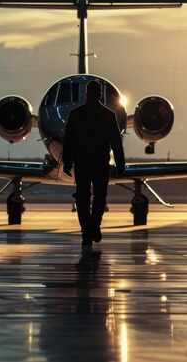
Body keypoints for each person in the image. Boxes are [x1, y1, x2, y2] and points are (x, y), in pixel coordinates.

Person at [62, 81, 125, 249]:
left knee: (82, 198)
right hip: (100, 163)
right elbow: (116, 142)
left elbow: (68, 141)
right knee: (99, 197)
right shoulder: (109, 115)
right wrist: (120, 165)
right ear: (100, 95)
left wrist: (66, 162)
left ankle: (86, 233)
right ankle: (94, 226)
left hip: (82, 163)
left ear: (86, 94)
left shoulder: (75, 114)